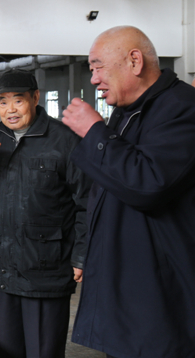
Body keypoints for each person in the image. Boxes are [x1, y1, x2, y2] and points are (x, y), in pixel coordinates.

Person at [61, 26, 195, 358]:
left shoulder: (183, 108)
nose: (94, 79)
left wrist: (94, 130)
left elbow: (149, 184)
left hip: (159, 296)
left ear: (135, 61)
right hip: (124, 283)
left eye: (98, 67)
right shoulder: (126, 112)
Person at [0, 69, 89, 358]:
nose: (10, 109)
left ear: (35, 98)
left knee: (44, 350)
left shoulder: (64, 140)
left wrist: (81, 255)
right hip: (0, 265)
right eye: (3, 102)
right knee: (7, 348)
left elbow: (87, 202)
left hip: (45, 266)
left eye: (18, 100)